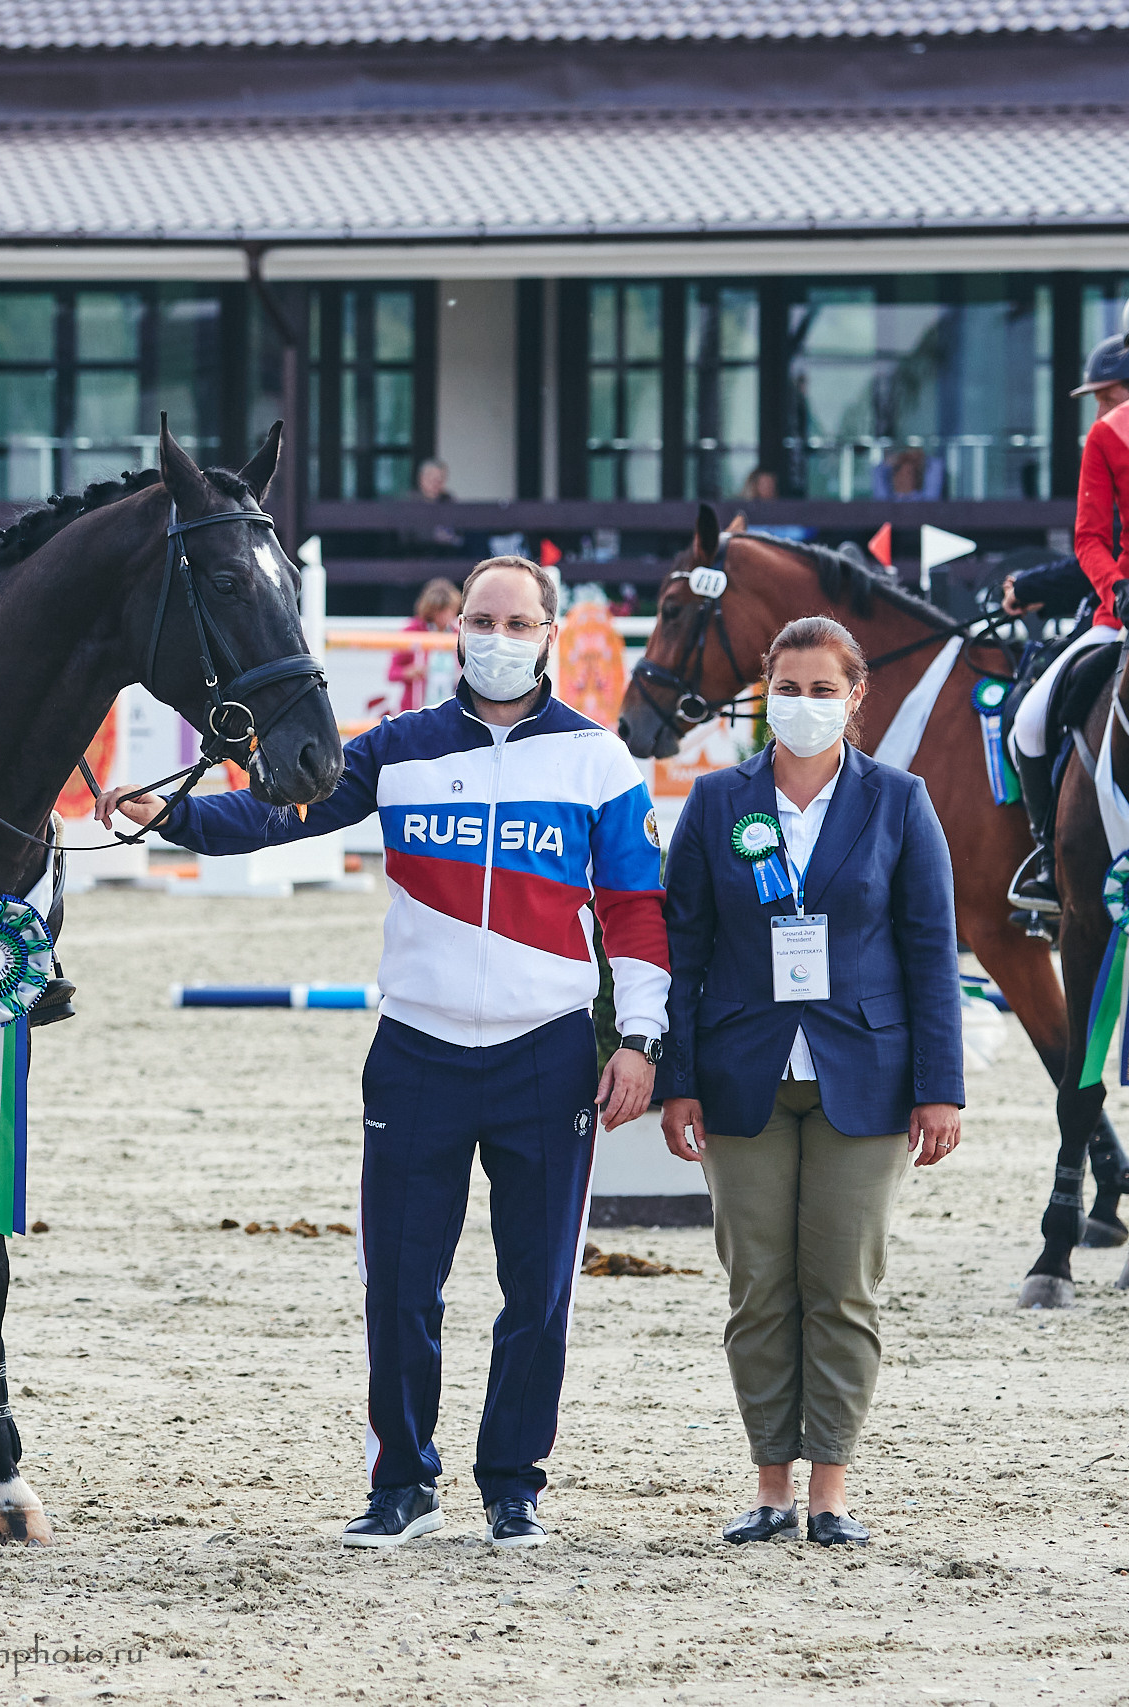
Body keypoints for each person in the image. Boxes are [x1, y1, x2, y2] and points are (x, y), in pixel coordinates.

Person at [99, 554, 669, 1552]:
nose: (497, 635)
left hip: (548, 1055)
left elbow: (634, 912)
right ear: (455, 630)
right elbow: (284, 811)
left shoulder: (598, 764)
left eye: (517, 621)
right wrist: (178, 816)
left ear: (550, 632)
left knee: (536, 1291)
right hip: (417, 1051)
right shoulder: (397, 748)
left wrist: (641, 1041)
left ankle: (512, 1487)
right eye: (481, 617)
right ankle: (401, 1481)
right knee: (401, 1285)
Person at [658, 615, 963, 1548]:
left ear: (856, 696)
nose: (803, 704)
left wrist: (939, 1085)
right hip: (742, 1073)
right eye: (787, 688)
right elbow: (684, 950)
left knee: (843, 1285)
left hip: (864, 1080)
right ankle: (769, 1487)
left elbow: (929, 949)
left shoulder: (901, 801)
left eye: (822, 689)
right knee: (759, 1288)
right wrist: (679, 1078)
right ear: (765, 693)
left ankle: (829, 1488)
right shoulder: (716, 802)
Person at [1006, 330, 1129, 914]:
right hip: (1119, 612)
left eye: (1108, 396)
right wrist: (1117, 587)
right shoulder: (1105, 439)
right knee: (1028, 724)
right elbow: (1089, 538)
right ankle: (1048, 860)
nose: (1101, 411)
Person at [384, 577, 460, 714]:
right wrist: (409, 672)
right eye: (441, 610)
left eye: (450, 610)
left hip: (450, 712)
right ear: (431, 610)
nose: (447, 615)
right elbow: (392, 673)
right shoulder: (412, 631)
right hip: (416, 712)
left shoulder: (458, 633)